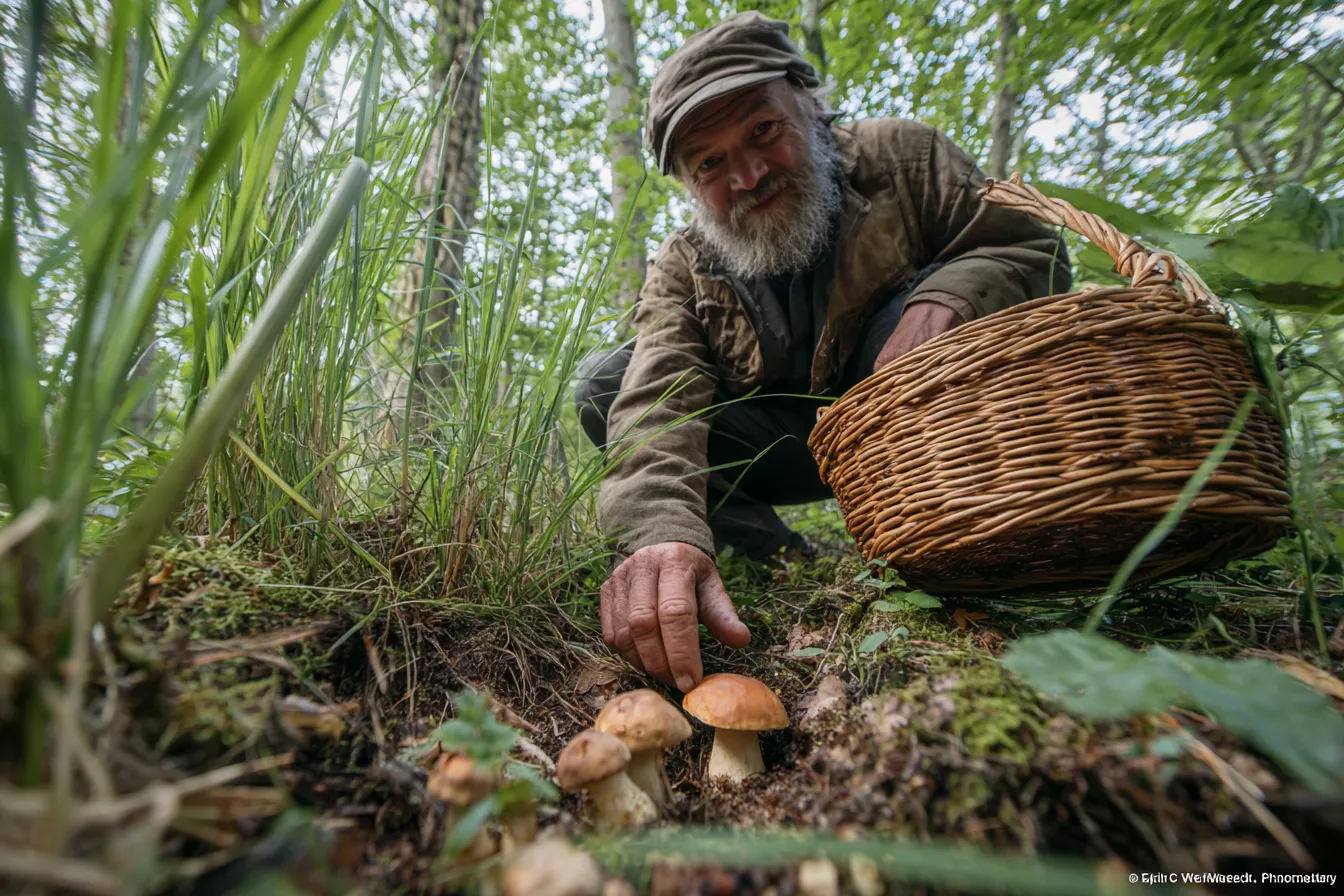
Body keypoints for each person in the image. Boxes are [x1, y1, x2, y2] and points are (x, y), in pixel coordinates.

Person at [575, 12, 1071, 693]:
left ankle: (956, 542)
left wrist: (948, 300)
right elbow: (657, 401)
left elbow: (1032, 247)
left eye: (762, 131)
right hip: (788, 446)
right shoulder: (684, 266)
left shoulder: (904, 158)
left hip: (909, 426)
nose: (748, 175)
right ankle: (779, 559)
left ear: (807, 104)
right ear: (690, 186)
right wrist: (661, 530)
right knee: (607, 382)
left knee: (929, 301)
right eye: (711, 162)